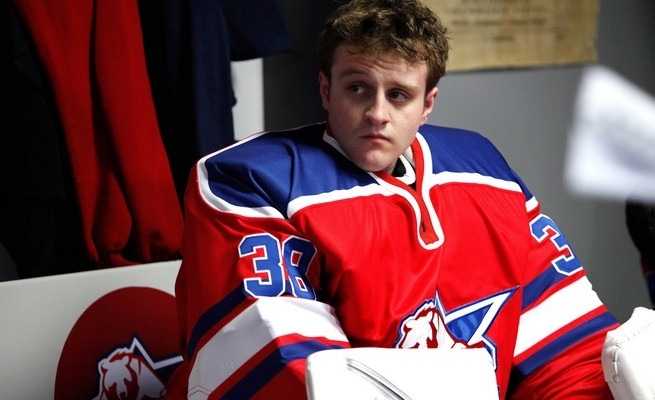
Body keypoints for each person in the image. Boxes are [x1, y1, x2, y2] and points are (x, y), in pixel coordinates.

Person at [167, 0, 617, 398]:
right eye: (357, 88)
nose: (377, 114)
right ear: (325, 90)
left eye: (399, 95)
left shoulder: (486, 173)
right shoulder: (247, 182)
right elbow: (290, 371)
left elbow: (567, 350)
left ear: (428, 104)